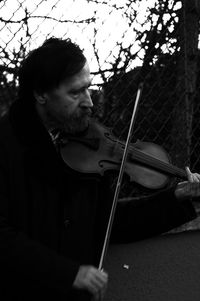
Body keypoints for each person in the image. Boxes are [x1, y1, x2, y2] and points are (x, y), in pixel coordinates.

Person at [0, 37, 200, 301]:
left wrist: (175, 200)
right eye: (75, 93)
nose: (89, 103)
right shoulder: (6, 145)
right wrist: (68, 273)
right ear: (40, 94)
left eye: (88, 89)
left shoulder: (88, 142)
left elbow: (110, 221)